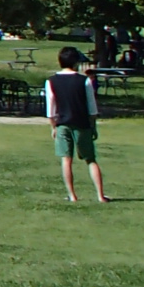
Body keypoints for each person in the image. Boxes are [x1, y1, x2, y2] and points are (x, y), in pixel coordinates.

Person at [45, 47, 108, 203]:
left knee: (66, 159)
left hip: (62, 124)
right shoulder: (84, 80)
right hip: (82, 123)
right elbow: (92, 108)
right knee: (90, 159)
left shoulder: (51, 81)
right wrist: (93, 127)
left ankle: (72, 195)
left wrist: (53, 127)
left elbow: (50, 109)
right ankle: (100, 195)